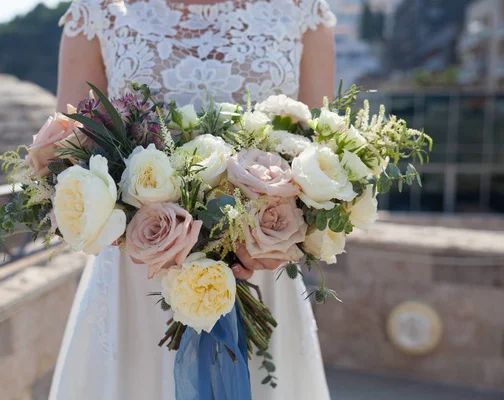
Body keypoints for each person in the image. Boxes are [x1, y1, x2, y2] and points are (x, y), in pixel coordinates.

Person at [49, 0, 337, 398]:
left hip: (262, 264)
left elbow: (326, 154)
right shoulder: (98, 11)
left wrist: (277, 236)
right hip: (139, 270)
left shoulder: (301, 9)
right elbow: (73, 153)